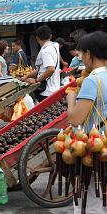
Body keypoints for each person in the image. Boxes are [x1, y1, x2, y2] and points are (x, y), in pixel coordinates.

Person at [66, 31, 107, 214]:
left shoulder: (92, 80)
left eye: (82, 53)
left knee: (92, 200)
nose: (81, 58)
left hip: (95, 151)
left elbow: (75, 118)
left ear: (89, 54)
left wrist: (71, 98)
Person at [21, 25, 60, 102]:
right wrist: (26, 76)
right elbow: (40, 70)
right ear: (51, 36)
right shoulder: (54, 46)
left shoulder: (46, 51)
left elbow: (51, 69)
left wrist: (36, 81)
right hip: (54, 90)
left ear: (37, 38)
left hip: (47, 92)